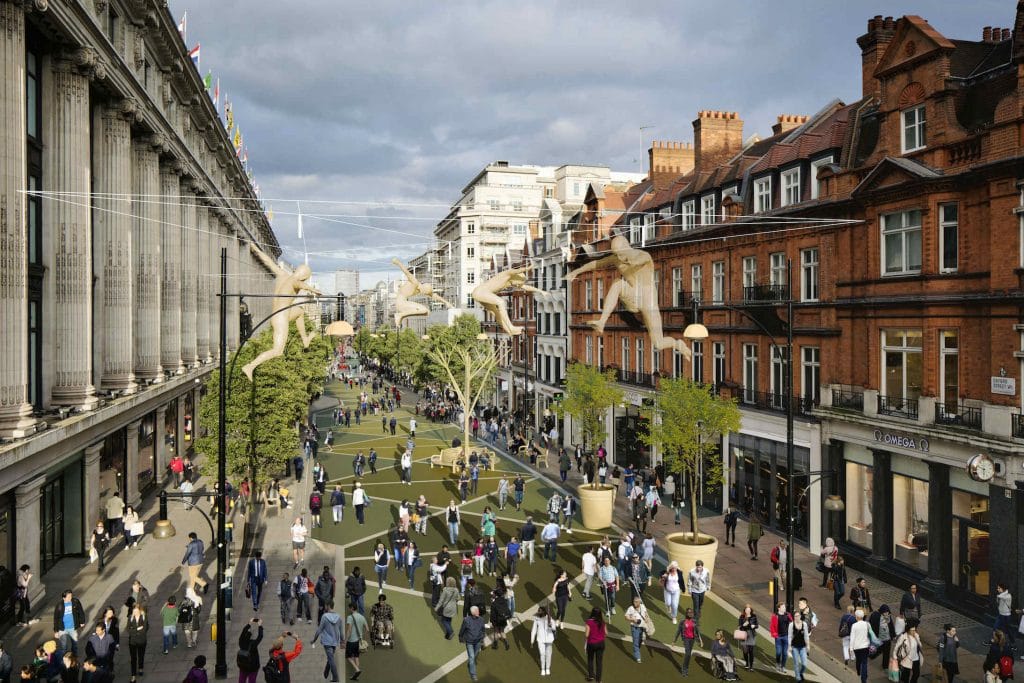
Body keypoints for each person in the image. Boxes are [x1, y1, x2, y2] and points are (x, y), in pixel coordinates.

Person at [312, 601, 343, 682]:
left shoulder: (324, 617)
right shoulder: (339, 617)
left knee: (331, 659)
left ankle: (336, 678)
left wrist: (314, 640)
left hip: (327, 642)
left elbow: (319, 630)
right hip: (335, 641)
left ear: (328, 606)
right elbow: (341, 631)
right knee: (330, 657)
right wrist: (342, 641)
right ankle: (326, 670)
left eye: (326, 605)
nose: (325, 606)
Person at [458, 605, 486, 682]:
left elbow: (483, 629)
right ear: (473, 612)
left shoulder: (481, 619)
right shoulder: (466, 620)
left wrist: (482, 638)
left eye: (478, 610)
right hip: (469, 642)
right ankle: (473, 674)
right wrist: (460, 637)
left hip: (478, 641)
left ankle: (470, 664)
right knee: (471, 657)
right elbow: (462, 629)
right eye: (477, 611)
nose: (478, 612)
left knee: (475, 655)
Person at [892, 618, 923, 683]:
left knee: (916, 674)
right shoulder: (903, 637)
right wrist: (895, 657)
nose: (914, 631)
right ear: (908, 630)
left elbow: (920, 646)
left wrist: (917, 638)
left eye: (915, 630)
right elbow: (897, 647)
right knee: (906, 676)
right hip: (906, 659)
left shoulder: (916, 635)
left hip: (916, 658)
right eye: (912, 630)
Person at [530, 606, 557, 676]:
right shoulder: (536, 619)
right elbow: (534, 630)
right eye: (538, 610)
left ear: (544, 612)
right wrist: (532, 640)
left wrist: (551, 626)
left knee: (549, 654)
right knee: (542, 654)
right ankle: (542, 669)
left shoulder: (549, 618)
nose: (538, 612)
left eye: (540, 611)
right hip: (540, 639)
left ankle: (547, 668)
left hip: (549, 639)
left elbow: (554, 628)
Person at [584, 608, 607, 683]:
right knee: (599, 662)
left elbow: (586, 634)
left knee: (590, 659)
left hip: (592, 643)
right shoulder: (602, 622)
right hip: (601, 643)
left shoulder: (589, 622)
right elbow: (606, 632)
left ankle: (591, 676)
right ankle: (598, 680)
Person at [870, 604, 896, 669]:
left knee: (887, 653)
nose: (886, 614)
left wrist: (893, 635)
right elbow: (872, 625)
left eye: (887, 612)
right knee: (878, 649)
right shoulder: (876, 616)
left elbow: (891, 626)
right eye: (885, 612)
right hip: (880, 638)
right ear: (881, 611)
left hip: (887, 639)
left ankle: (885, 666)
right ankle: (871, 655)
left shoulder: (888, 617)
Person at [624, 595, 650, 663]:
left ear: (639, 602)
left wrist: (647, 619)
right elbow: (626, 617)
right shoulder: (631, 608)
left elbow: (646, 613)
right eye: (634, 601)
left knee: (640, 640)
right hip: (634, 627)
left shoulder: (643, 607)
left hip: (642, 627)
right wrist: (632, 619)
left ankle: (636, 649)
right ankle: (638, 657)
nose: (635, 603)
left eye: (636, 602)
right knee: (635, 642)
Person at [770, 602, 792, 674]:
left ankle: (783, 666)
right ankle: (778, 663)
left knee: (785, 653)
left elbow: (792, 623)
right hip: (778, 637)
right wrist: (774, 634)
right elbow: (772, 626)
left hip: (786, 636)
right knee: (778, 652)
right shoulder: (775, 616)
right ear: (779, 608)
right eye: (783, 607)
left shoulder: (787, 615)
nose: (784, 608)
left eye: (784, 607)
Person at [850, 609, 871, 683]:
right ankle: (864, 678)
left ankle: (859, 671)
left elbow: (852, 638)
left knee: (858, 661)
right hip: (865, 646)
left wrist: (851, 650)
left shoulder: (854, 625)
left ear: (857, 617)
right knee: (864, 663)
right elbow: (869, 635)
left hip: (857, 647)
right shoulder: (867, 624)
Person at [790, 609, 811, 681]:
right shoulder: (791, 625)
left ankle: (800, 673)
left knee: (804, 664)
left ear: (800, 616)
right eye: (795, 616)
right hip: (794, 647)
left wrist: (808, 645)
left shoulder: (804, 624)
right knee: (796, 663)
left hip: (803, 647)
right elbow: (789, 636)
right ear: (794, 617)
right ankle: (798, 677)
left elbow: (806, 636)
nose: (797, 617)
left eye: (798, 616)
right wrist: (789, 646)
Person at [687, 560, 710, 626]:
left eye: (700, 567)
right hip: (694, 591)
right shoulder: (692, 572)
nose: (698, 568)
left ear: (702, 566)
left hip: (702, 590)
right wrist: (689, 589)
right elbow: (689, 580)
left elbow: (708, 579)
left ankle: (699, 611)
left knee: (700, 603)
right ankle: (696, 620)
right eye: (697, 567)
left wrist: (708, 586)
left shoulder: (706, 571)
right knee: (696, 606)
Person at [737, 604, 758, 671]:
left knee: (751, 651)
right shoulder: (742, 616)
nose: (748, 611)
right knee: (745, 651)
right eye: (746, 610)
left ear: (751, 610)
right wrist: (743, 625)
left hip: (751, 634)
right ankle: (746, 663)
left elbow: (757, 625)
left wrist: (754, 626)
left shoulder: (754, 616)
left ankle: (751, 666)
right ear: (745, 610)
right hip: (744, 634)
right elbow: (739, 627)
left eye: (749, 610)